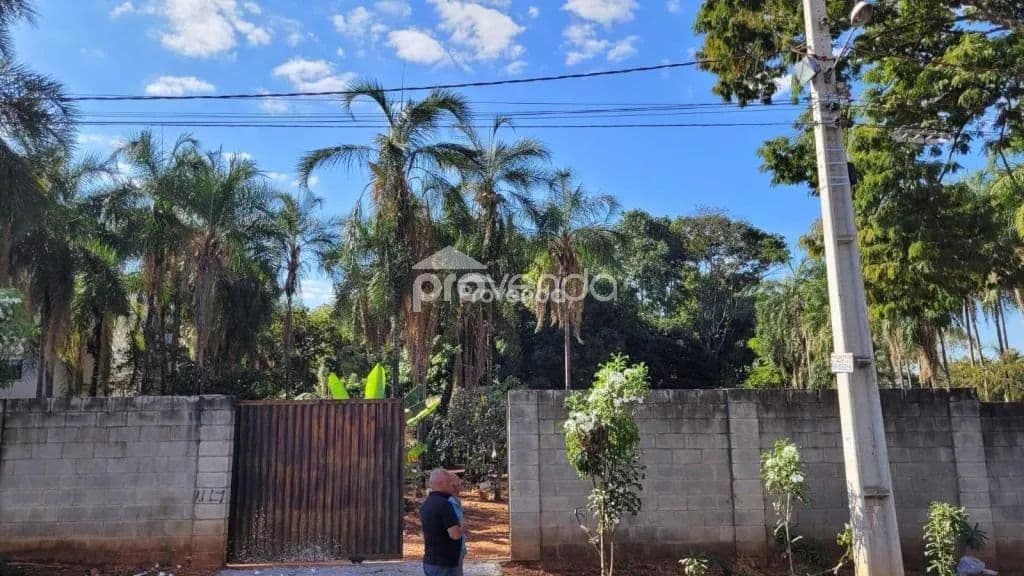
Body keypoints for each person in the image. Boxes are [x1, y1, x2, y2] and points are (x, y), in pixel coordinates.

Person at [421, 468, 463, 576]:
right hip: (445, 563)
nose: (451, 486)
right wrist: (463, 527)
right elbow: (455, 535)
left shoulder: (426, 503)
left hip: (430, 561)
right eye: (449, 482)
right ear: (441, 483)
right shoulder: (445, 505)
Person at [447, 471, 468, 576]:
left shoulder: (456, 501)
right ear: (452, 485)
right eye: (458, 479)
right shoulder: (449, 503)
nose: (461, 481)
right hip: (453, 549)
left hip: (459, 547)